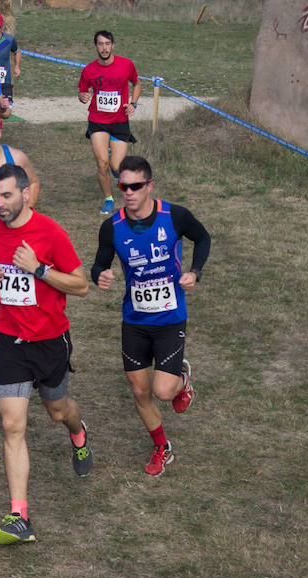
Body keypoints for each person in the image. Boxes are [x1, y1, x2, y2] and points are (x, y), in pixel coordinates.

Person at [0, 164, 93, 545]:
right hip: (11, 339)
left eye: (6, 196)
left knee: (58, 410)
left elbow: (80, 285)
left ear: (26, 194)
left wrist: (40, 270)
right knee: (12, 426)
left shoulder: (49, 231)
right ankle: (19, 516)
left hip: (50, 340)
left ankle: (78, 433)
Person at [90, 156, 211, 477]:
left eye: (135, 186)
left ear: (149, 186)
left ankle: (180, 379)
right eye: (123, 187)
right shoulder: (112, 227)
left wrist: (195, 272)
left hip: (170, 319)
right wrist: (100, 275)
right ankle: (162, 447)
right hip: (135, 321)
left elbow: (203, 238)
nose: (128, 192)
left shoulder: (175, 216)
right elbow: (99, 263)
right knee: (139, 391)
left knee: (162, 391)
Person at [78, 30, 141, 215]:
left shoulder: (126, 65)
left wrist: (133, 103)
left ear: (113, 45)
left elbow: (136, 83)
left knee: (116, 167)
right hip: (97, 120)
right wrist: (82, 97)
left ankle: (113, 154)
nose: (104, 48)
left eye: (107, 44)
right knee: (102, 162)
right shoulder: (89, 70)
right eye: (100, 44)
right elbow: (82, 91)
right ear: (95, 46)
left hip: (120, 121)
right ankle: (108, 199)